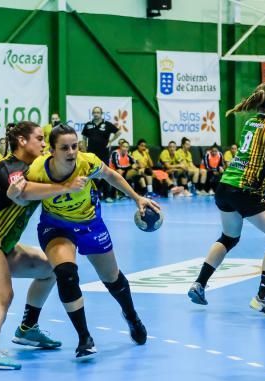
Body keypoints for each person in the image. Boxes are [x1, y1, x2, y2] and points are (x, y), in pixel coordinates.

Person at [17, 124, 160, 359]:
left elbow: (111, 175)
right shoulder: (38, 169)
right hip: (57, 225)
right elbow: (25, 193)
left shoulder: (87, 162)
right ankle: (84, 337)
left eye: (74, 146)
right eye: (64, 148)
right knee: (66, 273)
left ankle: (131, 316)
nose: (71, 152)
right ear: (51, 150)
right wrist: (63, 187)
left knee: (112, 279)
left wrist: (137, 198)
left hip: (90, 224)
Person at [0, 121, 78, 370]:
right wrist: (65, 188)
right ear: (22, 141)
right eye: (39, 138)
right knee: (2, 294)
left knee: (50, 269)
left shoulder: (37, 168)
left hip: (3, 245)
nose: (44, 143)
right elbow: (25, 191)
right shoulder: (8, 167)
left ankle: (27, 328)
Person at [185, 83, 265, 317]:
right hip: (246, 190)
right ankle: (264, 296)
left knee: (229, 237)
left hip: (225, 187)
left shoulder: (249, 124)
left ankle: (199, 283)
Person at [81, 107, 121, 199]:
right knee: (90, 173)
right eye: (94, 112)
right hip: (91, 154)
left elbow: (118, 132)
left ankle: (107, 196)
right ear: (92, 114)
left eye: (98, 112)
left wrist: (110, 141)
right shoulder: (88, 125)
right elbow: (84, 138)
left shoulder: (107, 124)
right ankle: (93, 194)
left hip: (104, 153)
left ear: (101, 113)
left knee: (105, 173)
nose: (96, 114)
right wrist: (84, 150)